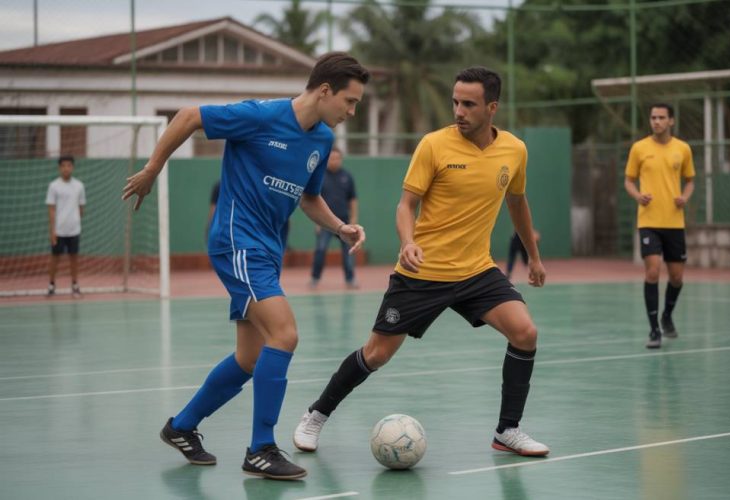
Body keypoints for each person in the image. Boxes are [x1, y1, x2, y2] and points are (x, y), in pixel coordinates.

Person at [122, 52, 370, 480]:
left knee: (250, 357)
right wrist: (153, 166)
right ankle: (261, 448)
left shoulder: (322, 140)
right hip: (237, 242)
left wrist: (339, 227)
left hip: (267, 250)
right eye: (349, 102)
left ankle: (181, 426)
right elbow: (187, 116)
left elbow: (308, 198)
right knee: (285, 334)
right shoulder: (260, 116)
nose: (351, 112)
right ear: (325, 91)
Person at [293, 66, 550, 458]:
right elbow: (405, 205)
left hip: (477, 271)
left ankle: (508, 430)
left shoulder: (514, 150)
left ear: (492, 107)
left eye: (469, 104)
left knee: (525, 333)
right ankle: (316, 414)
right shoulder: (434, 145)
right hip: (422, 272)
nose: (458, 110)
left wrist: (533, 256)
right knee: (376, 354)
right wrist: (408, 242)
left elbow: (517, 202)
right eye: (455, 102)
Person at [624, 103, 695, 349]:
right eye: (653, 117)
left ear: (671, 121)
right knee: (652, 272)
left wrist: (684, 197)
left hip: (674, 223)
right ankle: (654, 330)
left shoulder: (683, 149)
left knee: (676, 277)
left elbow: (690, 181)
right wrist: (637, 196)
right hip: (649, 222)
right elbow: (629, 181)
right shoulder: (639, 148)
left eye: (661, 117)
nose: (656, 121)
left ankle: (667, 316)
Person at [310, 146, 359, 288]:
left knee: (349, 251)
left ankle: (350, 279)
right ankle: (315, 278)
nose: (334, 161)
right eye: (331, 158)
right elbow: (312, 200)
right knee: (320, 249)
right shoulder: (320, 176)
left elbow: (353, 199)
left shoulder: (347, 176)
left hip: (345, 222)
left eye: (337, 158)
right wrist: (318, 222)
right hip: (325, 224)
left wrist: (354, 219)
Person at [46, 155, 86, 297]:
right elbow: (51, 209)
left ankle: (75, 285)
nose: (66, 168)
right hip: (59, 231)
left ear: (72, 167)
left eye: (69, 165)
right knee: (54, 258)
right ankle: (51, 285)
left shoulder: (79, 186)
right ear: (59, 168)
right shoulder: (53, 186)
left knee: (74, 258)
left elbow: (81, 208)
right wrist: (53, 231)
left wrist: (75, 220)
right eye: (63, 166)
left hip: (74, 230)